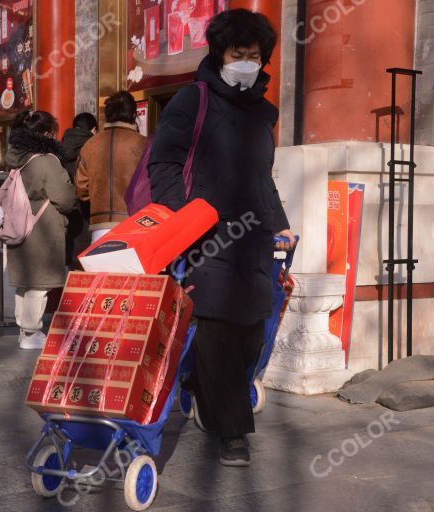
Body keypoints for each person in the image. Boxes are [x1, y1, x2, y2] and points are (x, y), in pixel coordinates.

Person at [148, 9, 296, 467]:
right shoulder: (193, 99)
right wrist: (183, 220)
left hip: (253, 239)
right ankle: (232, 432)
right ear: (219, 53)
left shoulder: (262, 113)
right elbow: (164, 163)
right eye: (238, 53)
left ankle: (198, 385)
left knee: (253, 328)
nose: (247, 62)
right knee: (216, 328)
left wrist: (280, 222)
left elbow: (263, 177)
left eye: (254, 55)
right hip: (205, 237)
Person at [5, 111, 77, 350]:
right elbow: (64, 197)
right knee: (39, 283)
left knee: (25, 282)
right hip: (41, 227)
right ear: (47, 133)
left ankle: (22, 328)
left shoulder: (17, 158)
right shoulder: (46, 160)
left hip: (19, 224)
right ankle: (30, 332)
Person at [76, 91, 148, 242]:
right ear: (133, 115)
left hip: (99, 225)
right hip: (135, 224)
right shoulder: (143, 144)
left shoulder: (90, 145)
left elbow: (82, 189)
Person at [60, 112, 97, 267]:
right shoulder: (93, 147)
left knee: (71, 267)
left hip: (67, 215)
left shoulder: (59, 148)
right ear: (93, 130)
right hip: (87, 213)